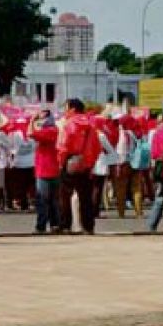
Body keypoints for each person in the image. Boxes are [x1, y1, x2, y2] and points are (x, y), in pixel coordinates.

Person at [56, 98, 101, 235]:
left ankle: (65, 225)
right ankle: (88, 226)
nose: (65, 111)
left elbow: (63, 146)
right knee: (86, 197)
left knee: (65, 195)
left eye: (67, 108)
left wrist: (61, 162)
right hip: (86, 163)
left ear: (73, 109)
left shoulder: (69, 124)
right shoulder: (91, 126)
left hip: (69, 161)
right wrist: (90, 162)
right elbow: (97, 148)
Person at [29, 110, 61, 233]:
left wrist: (32, 120)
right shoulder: (55, 130)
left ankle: (41, 226)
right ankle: (55, 224)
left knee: (42, 200)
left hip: (44, 170)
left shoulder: (49, 131)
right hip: (54, 168)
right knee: (53, 200)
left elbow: (30, 133)